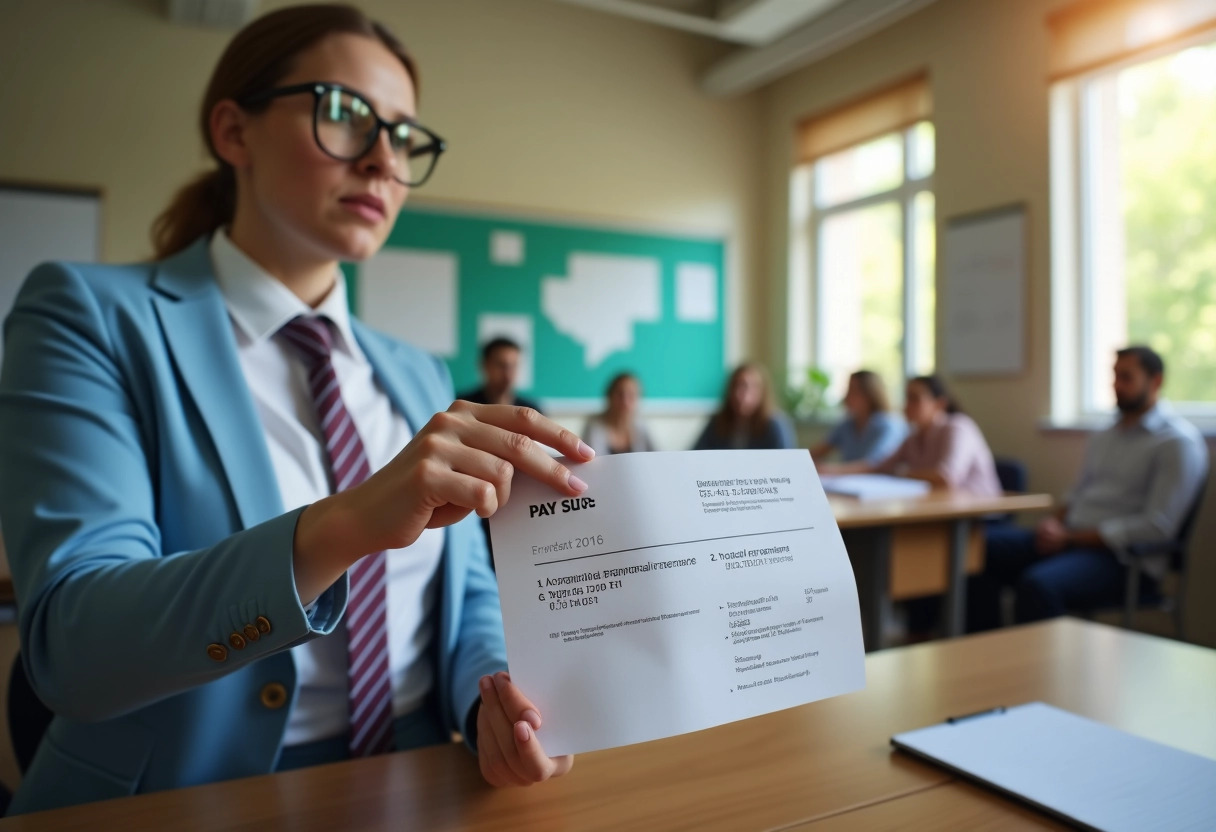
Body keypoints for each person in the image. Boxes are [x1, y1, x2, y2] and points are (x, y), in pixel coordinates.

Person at [0, 5, 587, 815]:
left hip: (421, 783)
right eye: (346, 114)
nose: (385, 160)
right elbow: (74, 649)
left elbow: (468, 598)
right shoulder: (88, 317)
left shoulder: (417, 372)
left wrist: (491, 699)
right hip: (185, 799)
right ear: (234, 132)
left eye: (406, 136)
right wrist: (346, 524)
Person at [968, 346, 1208, 631]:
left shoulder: (1177, 444)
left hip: (1122, 560)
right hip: (1069, 539)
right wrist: (1053, 525)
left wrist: (1071, 538)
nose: (1116, 385)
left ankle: (1041, 673)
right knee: (978, 547)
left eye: (1126, 377)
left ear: (1155, 381)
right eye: (1114, 376)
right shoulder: (1106, 435)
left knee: (1038, 584)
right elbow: (1077, 494)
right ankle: (981, 652)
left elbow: (1156, 527)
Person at [820, 375, 1002, 497]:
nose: (907, 405)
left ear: (939, 404)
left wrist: (900, 473)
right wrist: (830, 471)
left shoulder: (958, 427)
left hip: (978, 517)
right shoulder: (913, 437)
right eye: (906, 398)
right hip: (939, 511)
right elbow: (878, 467)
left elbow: (946, 478)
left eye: (915, 398)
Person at [810, 370, 906, 464]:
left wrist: (829, 470)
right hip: (846, 479)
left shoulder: (887, 425)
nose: (847, 396)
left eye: (853, 391)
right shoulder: (847, 425)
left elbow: (874, 465)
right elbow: (816, 453)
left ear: (870, 394)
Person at [693, 362, 795, 451]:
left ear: (762, 391)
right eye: (735, 386)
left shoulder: (775, 425)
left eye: (746, 386)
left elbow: (786, 465)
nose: (739, 393)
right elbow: (694, 455)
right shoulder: (718, 422)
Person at [456, 337, 542, 412]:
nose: (507, 373)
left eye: (513, 366)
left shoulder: (531, 410)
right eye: (501, 365)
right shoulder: (462, 406)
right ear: (485, 365)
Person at [583, 372, 656, 454]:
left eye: (631, 395)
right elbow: (592, 461)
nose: (625, 401)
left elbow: (658, 455)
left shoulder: (640, 425)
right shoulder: (594, 425)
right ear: (610, 396)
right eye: (620, 394)